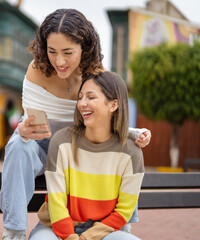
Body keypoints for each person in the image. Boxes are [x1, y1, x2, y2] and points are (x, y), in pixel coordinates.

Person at [0, 9, 151, 240]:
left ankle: (122, 226)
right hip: (40, 145)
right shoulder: (37, 69)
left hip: (76, 148)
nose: (59, 61)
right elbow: (29, 120)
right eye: (52, 52)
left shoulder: (96, 75)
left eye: (68, 53)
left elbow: (104, 121)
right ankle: (14, 232)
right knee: (19, 145)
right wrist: (23, 131)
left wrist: (133, 134)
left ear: (85, 48)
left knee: (128, 150)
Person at [29, 71, 144, 240]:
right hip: (54, 227)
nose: (82, 103)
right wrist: (70, 237)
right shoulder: (61, 142)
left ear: (113, 105)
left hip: (104, 231)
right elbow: (56, 201)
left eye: (91, 97)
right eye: (80, 97)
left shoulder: (131, 153)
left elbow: (125, 210)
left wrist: (87, 237)